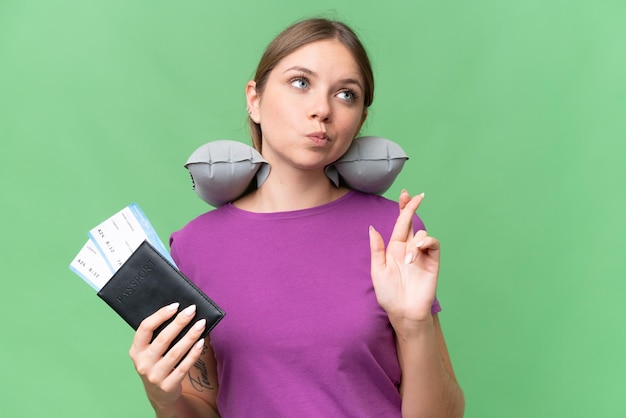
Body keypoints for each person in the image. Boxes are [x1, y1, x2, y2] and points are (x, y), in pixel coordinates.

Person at [129, 18, 465, 417]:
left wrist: (413, 325)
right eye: (301, 83)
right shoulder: (194, 247)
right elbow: (202, 402)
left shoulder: (395, 232)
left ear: (359, 119)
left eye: (346, 94)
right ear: (254, 99)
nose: (322, 109)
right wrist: (162, 398)